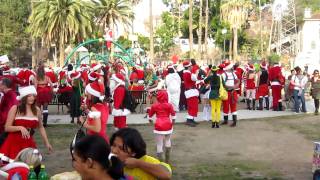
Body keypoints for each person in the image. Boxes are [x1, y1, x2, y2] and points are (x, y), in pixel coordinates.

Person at [0, 86, 52, 159]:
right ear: (24, 97)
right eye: (29, 96)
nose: (32, 98)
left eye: (33, 96)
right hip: (13, 143)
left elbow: (41, 127)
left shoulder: (37, 110)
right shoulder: (15, 108)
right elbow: (7, 127)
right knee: (13, 166)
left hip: (28, 142)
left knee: (32, 166)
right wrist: (20, 128)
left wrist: (47, 143)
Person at [148, 90, 175, 163]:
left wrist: (151, 122)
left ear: (158, 96)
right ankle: (167, 159)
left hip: (158, 125)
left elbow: (150, 116)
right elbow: (173, 115)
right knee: (168, 140)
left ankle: (161, 162)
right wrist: (172, 123)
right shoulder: (169, 105)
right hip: (168, 124)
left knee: (159, 144)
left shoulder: (154, 105)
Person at [221, 60, 239, 127]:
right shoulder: (223, 75)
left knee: (233, 106)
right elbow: (223, 84)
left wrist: (236, 85)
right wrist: (232, 86)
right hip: (226, 92)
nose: (232, 67)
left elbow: (238, 81)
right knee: (225, 106)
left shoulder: (233, 73)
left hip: (232, 92)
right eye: (231, 66)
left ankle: (234, 121)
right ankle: (226, 120)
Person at [182, 60, 199, 127]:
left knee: (191, 106)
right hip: (191, 92)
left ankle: (191, 119)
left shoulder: (187, 73)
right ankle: (189, 120)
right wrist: (197, 72)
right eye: (191, 66)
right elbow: (195, 78)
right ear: (189, 67)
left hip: (190, 91)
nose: (192, 67)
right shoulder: (188, 73)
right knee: (193, 106)